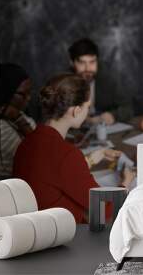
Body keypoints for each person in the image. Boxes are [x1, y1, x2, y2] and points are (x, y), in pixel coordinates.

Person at [13, 73, 133, 223]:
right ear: (76, 110)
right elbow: (105, 209)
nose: (87, 112)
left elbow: (52, 173)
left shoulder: (26, 142)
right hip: (64, 236)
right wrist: (126, 183)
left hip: (34, 227)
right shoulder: (66, 154)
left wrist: (91, 158)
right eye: (87, 107)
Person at [69, 38, 132, 125]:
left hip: (102, 128)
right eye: (82, 63)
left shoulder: (109, 77)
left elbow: (128, 108)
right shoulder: (63, 82)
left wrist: (113, 115)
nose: (88, 68)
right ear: (72, 63)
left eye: (92, 62)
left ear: (97, 61)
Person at [0, 63, 36, 180]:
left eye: (29, 92)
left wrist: (19, 119)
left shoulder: (23, 117)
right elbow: (39, 155)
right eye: (22, 94)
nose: (28, 98)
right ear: (4, 92)